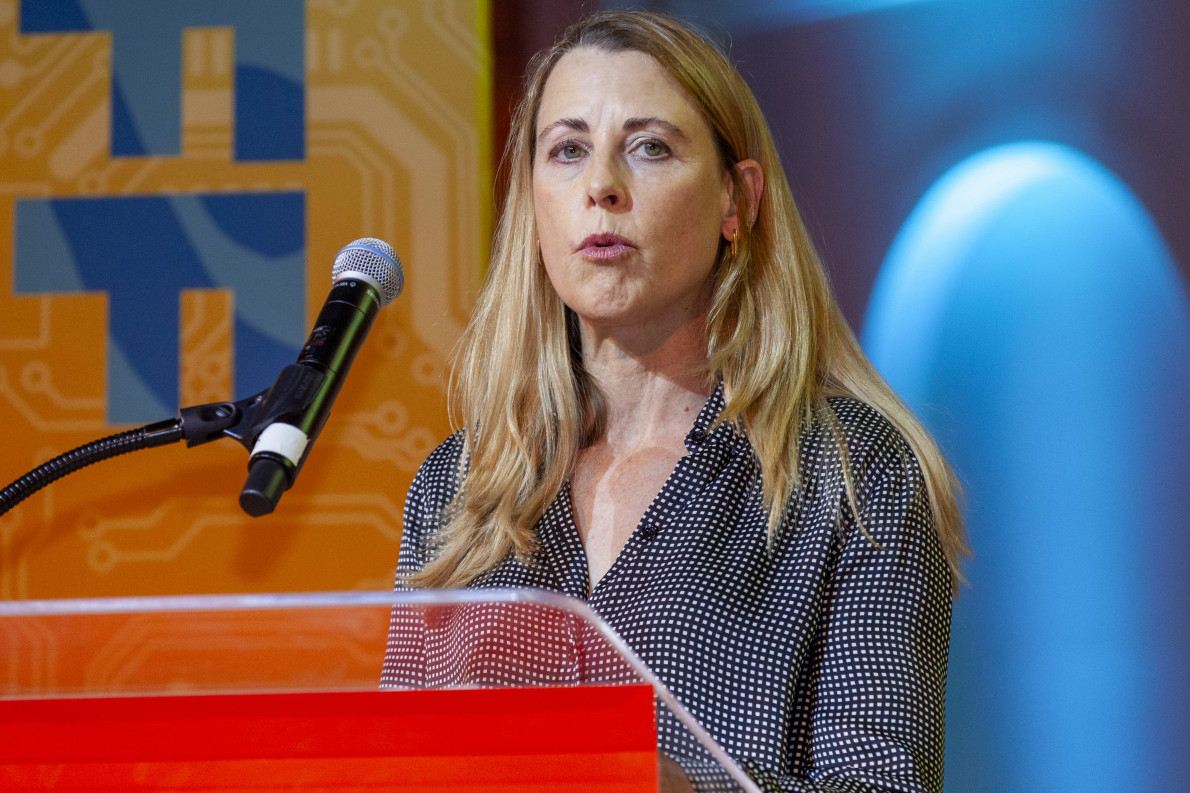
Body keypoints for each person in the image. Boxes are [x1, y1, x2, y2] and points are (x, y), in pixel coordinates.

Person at [382, 10, 968, 793]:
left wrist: (672, 786)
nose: (601, 187)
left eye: (649, 147)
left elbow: (882, 783)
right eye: (568, 150)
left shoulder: (853, 473)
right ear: (532, 202)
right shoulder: (460, 485)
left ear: (737, 200)